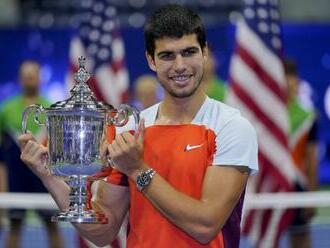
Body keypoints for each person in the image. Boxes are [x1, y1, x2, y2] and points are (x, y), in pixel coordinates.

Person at [18, 5, 258, 248]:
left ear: (204, 53)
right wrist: (48, 175)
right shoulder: (128, 130)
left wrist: (138, 170)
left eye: (189, 52)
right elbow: (102, 233)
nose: (180, 65)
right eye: (167, 56)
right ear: (151, 60)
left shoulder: (232, 127)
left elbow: (205, 225)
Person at [0, 60, 63, 248]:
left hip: (44, 178)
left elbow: (58, 151)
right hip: (15, 179)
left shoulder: (52, 108)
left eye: (32, 76)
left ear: (39, 79)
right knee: (15, 225)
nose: (29, 80)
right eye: (26, 76)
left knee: (52, 226)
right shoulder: (6, 109)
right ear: (20, 80)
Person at [284, 58, 319, 248]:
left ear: (297, 82)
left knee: (301, 241)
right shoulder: (265, 118)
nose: (288, 83)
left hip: (299, 189)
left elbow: (311, 159)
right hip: (271, 190)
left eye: (291, 77)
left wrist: (311, 197)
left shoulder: (308, 118)